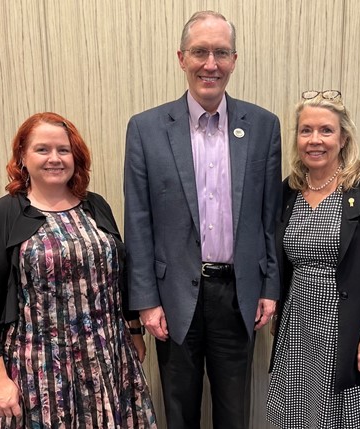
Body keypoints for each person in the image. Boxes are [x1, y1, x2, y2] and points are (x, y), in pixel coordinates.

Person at [124, 10, 282, 429]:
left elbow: (269, 216)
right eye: (199, 52)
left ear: (234, 59)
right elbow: (138, 219)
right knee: (179, 410)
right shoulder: (146, 128)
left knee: (235, 411)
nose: (210, 64)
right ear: (181, 57)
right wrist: (145, 301)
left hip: (238, 295)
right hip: (173, 297)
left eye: (221, 53)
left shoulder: (264, 126)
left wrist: (269, 285)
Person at [0, 112, 157, 428]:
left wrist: (134, 329)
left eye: (63, 150)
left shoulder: (95, 206)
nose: (54, 158)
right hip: (41, 371)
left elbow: (119, 276)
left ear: (75, 157)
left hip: (110, 359)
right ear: (23, 157)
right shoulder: (1, 217)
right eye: (42, 149)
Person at [266, 90, 360, 428]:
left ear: (343, 136)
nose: (314, 140)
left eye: (325, 130)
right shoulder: (288, 190)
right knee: (303, 419)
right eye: (306, 130)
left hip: (353, 327)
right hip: (300, 330)